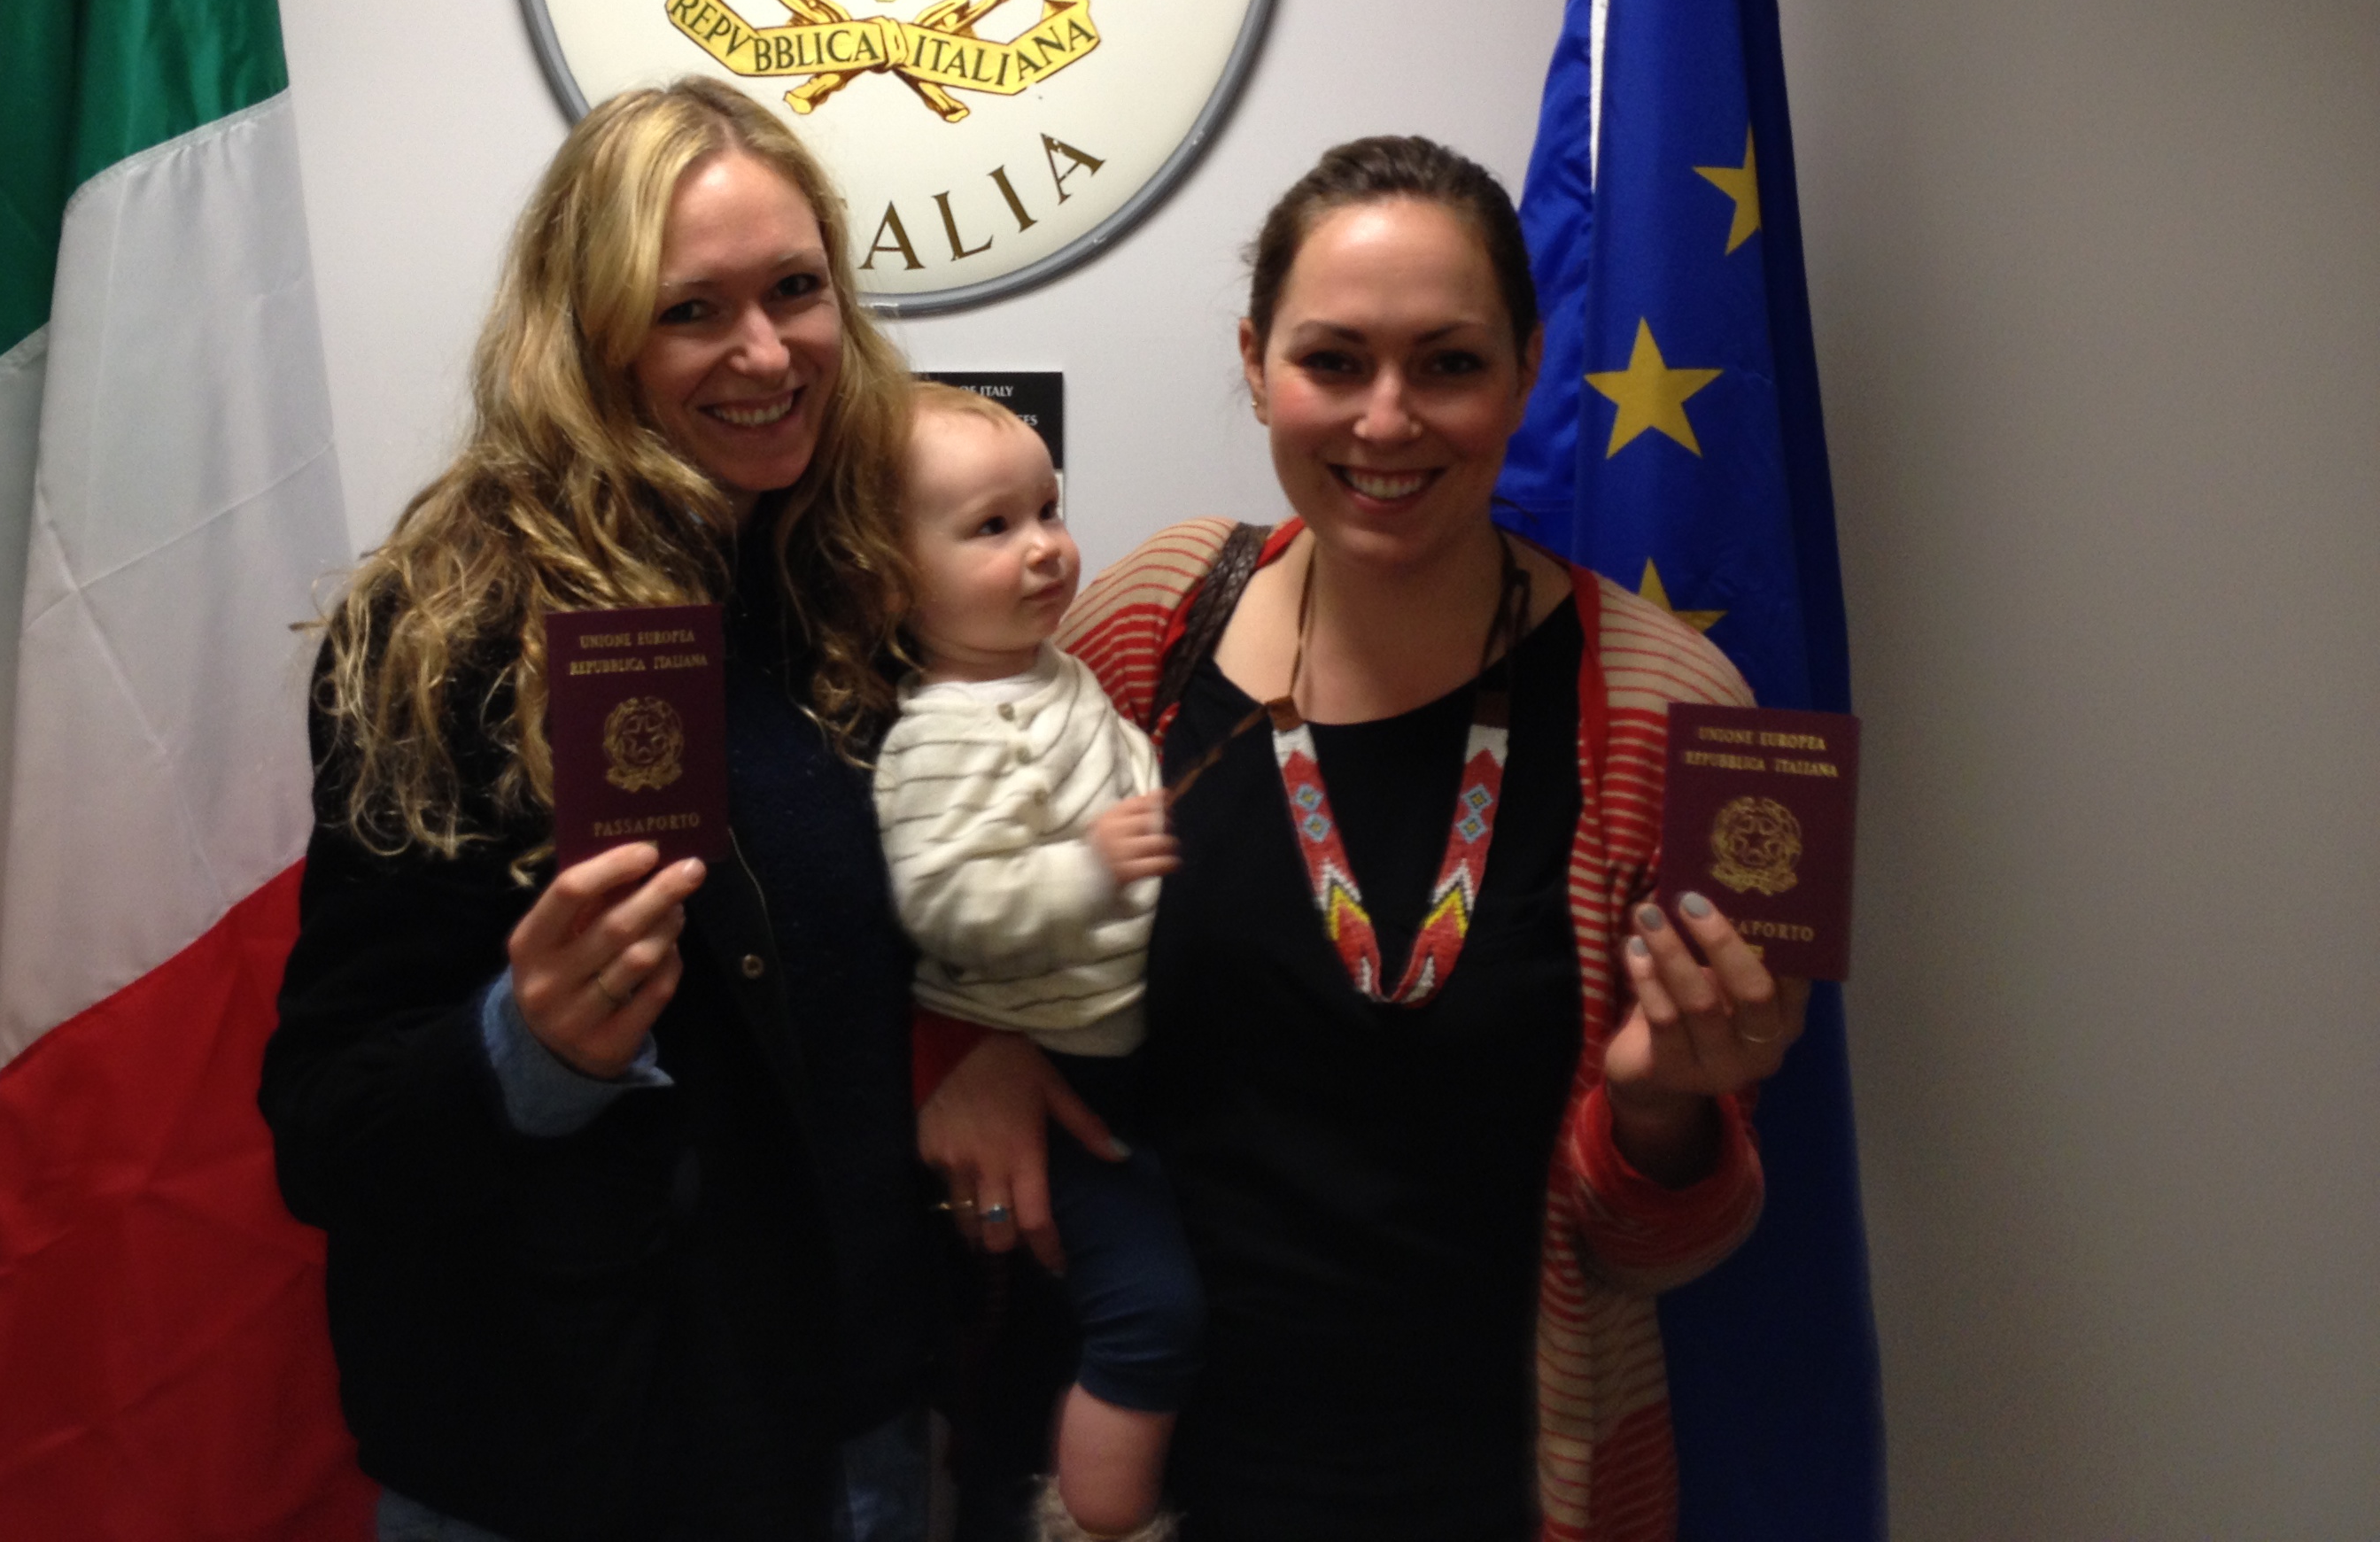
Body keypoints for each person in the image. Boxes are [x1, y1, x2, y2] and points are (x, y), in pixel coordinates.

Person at [920, 135, 1807, 1542]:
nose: (1385, 422)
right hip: (1109, 1484)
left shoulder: (1666, 713)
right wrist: (960, 1051)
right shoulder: (1152, 626)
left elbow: (1661, 1252)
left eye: (1447, 364)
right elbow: (926, 871)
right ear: (1256, 361)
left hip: (1482, 1492)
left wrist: (1663, 1110)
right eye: (1333, 362)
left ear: (1528, 369)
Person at [260, 79, 942, 1542]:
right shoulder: (448, 633)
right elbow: (323, 1129)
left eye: (797, 289)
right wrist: (529, 1047)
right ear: (588, 335)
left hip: (860, 1429)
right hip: (582, 1462)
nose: (767, 352)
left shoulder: (873, 586)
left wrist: (995, 1046)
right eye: (693, 311)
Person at [872, 384, 1198, 1542]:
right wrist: (1090, 869)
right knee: (1150, 1311)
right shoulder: (945, 731)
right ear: (889, 578)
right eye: (993, 527)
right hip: (1047, 1073)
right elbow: (943, 902)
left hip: (1112, 1047)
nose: (1047, 547)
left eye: (1049, 509)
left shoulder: (1049, 671)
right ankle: (1098, 1519)